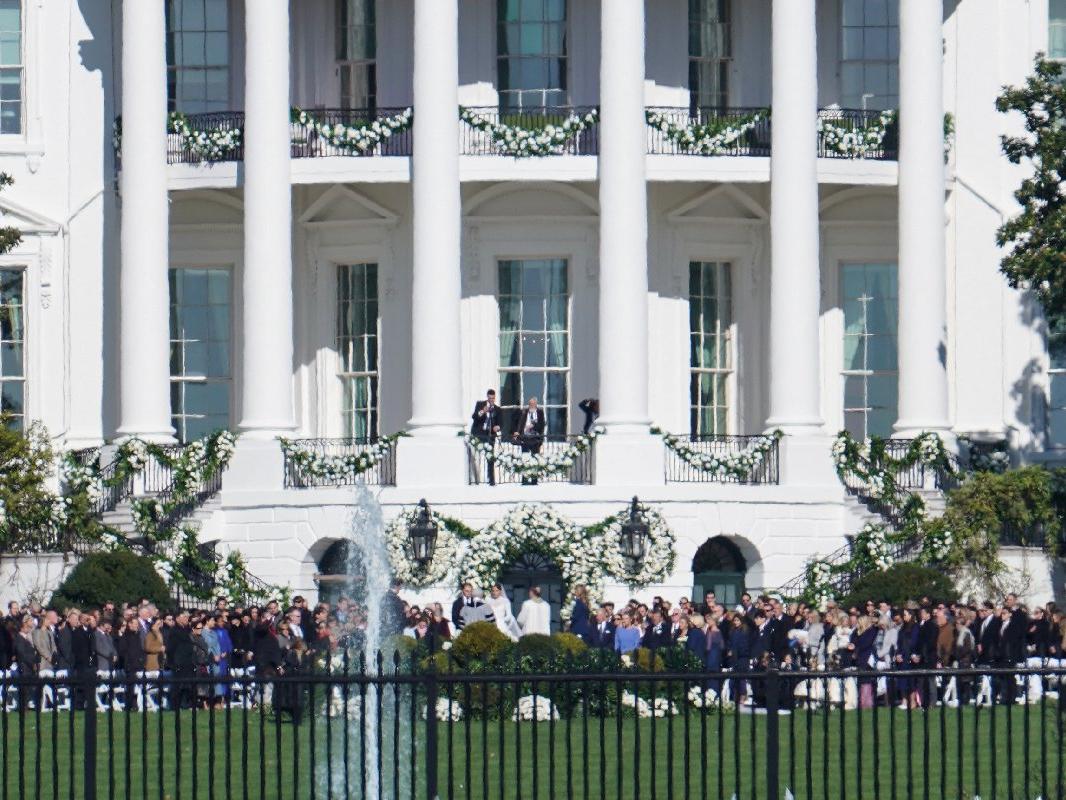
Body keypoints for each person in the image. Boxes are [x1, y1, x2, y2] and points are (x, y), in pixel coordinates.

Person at [470, 389, 503, 485]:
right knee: (476, 457)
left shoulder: (497, 409)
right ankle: (475, 479)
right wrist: (483, 411)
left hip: (490, 435)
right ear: (487, 397)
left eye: (493, 398)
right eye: (490, 398)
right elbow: (474, 417)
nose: (491, 400)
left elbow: (501, 423)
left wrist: (498, 427)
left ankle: (491, 479)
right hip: (479, 434)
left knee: (490, 457)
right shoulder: (480, 404)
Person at [513, 397, 546, 485]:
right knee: (525, 458)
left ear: (536, 404)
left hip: (535, 439)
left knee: (535, 459)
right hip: (525, 438)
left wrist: (533, 426)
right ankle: (525, 479)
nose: (531, 406)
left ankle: (534, 480)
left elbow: (542, 425)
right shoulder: (524, 412)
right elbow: (519, 424)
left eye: (533, 404)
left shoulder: (540, 412)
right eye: (530, 404)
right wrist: (517, 432)